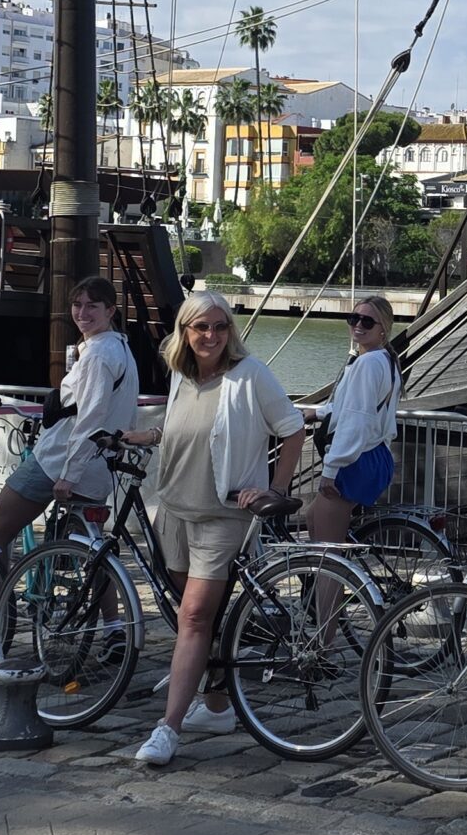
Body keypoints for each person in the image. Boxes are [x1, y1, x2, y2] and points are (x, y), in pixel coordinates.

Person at [125, 291, 306, 766]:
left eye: (220, 327)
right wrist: (151, 435)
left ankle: (168, 728)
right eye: (201, 327)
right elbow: (185, 426)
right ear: (185, 332)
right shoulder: (183, 377)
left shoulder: (251, 375)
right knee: (200, 618)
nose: (211, 336)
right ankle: (220, 705)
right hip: (175, 511)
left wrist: (275, 488)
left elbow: (292, 429)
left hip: (224, 516)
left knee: (193, 619)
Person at [0, 276, 140, 640]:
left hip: (59, 462)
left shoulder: (97, 354)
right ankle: (113, 631)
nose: (82, 312)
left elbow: (91, 418)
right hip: (98, 468)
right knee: (94, 557)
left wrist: (69, 474)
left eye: (92, 306)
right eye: (77, 305)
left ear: (111, 310)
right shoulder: (120, 348)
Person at [274, 294, 399, 546]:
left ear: (383, 328)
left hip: (355, 461)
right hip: (376, 456)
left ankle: (335, 582)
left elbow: (357, 420)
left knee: (327, 556)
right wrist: (319, 412)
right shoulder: (386, 360)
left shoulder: (367, 364)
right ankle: (333, 579)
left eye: (367, 322)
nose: (358, 325)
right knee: (313, 519)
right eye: (353, 318)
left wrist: (330, 471)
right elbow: (357, 407)